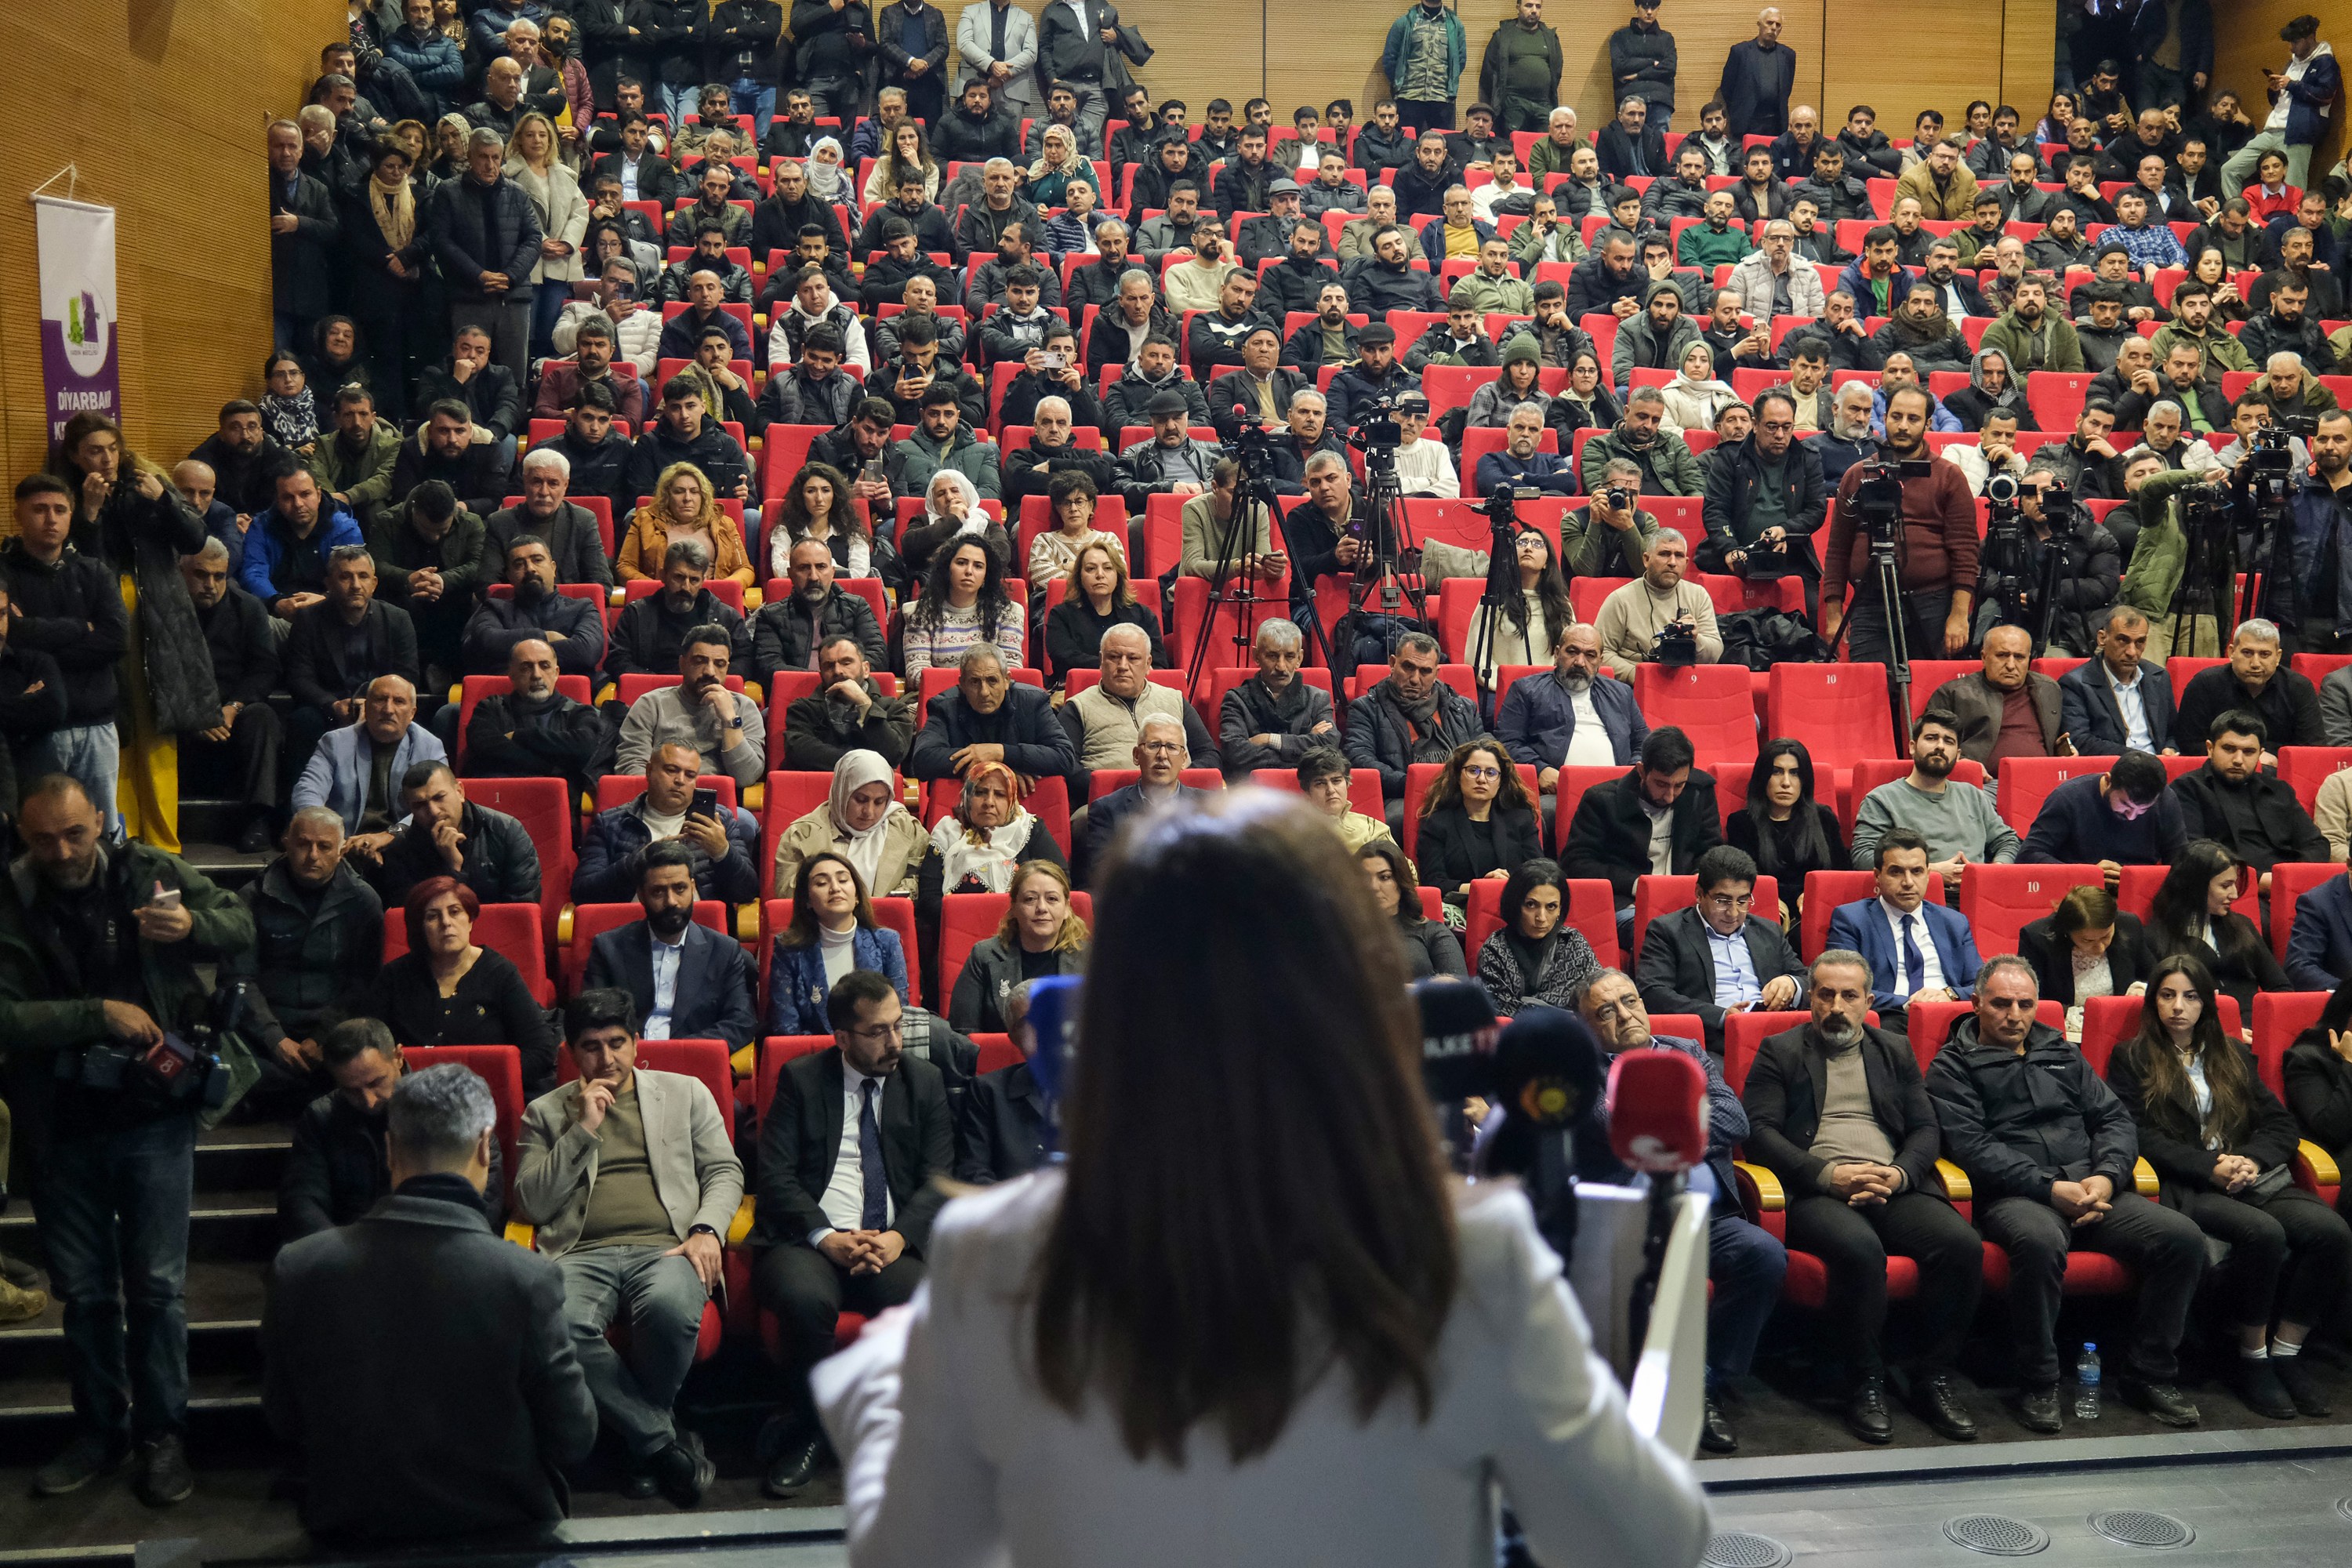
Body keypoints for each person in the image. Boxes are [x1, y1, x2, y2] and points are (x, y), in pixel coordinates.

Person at [2, 776, 253, 1504]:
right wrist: (96, 1014)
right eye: (44, 839)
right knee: (83, 1296)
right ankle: (100, 1432)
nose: (61, 851)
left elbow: (240, 921)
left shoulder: (149, 871)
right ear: (23, 836)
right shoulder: (9, 899)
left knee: (157, 1291)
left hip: (152, 1116)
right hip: (58, 1126)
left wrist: (192, 926)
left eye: (74, 833)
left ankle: (162, 1436)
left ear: (100, 820)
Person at [263, 1063, 594, 1541]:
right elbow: (573, 1437)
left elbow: (284, 1418)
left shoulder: (299, 1267)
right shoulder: (525, 1277)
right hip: (501, 1536)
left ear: (390, 1149)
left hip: (352, 1534)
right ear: (484, 1147)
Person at [1927, 956, 2211, 1431]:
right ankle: (2038, 1381)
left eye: (2025, 1005)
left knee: (2182, 1238)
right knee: (2038, 1242)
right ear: (1975, 1003)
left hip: (2091, 1185)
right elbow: (1972, 1147)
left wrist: (2108, 1176)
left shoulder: (2060, 1051)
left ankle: (2149, 1373)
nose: (2014, 1016)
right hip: (2017, 1194)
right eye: (2000, 1004)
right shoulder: (1952, 1066)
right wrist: (2048, 1187)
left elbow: (2114, 1120)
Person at [1739, 947, 1985, 1442]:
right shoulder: (1780, 1051)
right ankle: (1864, 1383)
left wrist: (1899, 1174)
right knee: (1860, 1250)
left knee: (1961, 1245)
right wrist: (1829, 1175)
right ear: (1811, 998)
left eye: (1849, 996)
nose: (1837, 1006)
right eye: (1826, 995)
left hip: (1890, 1182)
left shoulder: (1893, 1049)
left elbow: (1925, 1129)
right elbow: (1760, 1133)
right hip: (1818, 1189)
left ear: (1868, 1001)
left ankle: (1932, 1377)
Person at [510, 986, 742, 1504]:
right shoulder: (545, 1113)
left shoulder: (686, 1094)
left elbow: (724, 1171)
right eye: (591, 1046)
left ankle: (638, 1443)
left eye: (617, 1042)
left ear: (637, 1042)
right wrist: (582, 1128)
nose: (607, 1058)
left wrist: (707, 1230)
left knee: (668, 1308)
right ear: (572, 1052)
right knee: (556, 1325)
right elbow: (532, 1203)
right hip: (579, 1253)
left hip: (668, 1247)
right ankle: (660, 1442)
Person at [2107, 956, 2350, 1418]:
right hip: (2191, 1185)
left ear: (2207, 1003)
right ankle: (2251, 1358)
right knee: (2264, 1233)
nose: (2178, 1007)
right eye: (2167, 996)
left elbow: (2280, 1124)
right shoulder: (2133, 1057)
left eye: (2190, 996)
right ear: (2153, 1001)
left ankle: (2286, 1352)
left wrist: (2251, 1159)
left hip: (2253, 1177)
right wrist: (2210, 1166)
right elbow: (2137, 1134)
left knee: (2331, 1233)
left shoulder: (2232, 1054)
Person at [276, 1018, 503, 1244]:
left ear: (398, 1056)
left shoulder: (446, 1107)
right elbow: (303, 1201)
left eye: (375, 1082)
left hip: (434, 1247)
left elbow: (484, 1196)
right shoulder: (321, 1117)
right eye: (351, 1091)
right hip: (347, 1247)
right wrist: (340, 1254)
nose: (369, 1101)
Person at [237, 808, 387, 1115]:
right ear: (286, 843)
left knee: (368, 1056)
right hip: (268, 1022)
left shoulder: (364, 901)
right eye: (303, 844)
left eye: (324, 846)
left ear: (341, 850)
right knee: (228, 1055)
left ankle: (281, 1096)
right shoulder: (252, 898)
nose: (313, 855)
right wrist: (275, 1039)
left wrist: (323, 1038)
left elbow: (364, 982)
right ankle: (317, 1094)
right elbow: (238, 979)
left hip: (335, 1027)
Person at [3, 478, 129, 839]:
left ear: (72, 515)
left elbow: (117, 640)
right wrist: (81, 627)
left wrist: (40, 642)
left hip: (98, 724)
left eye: (60, 510)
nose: (51, 519)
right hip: (35, 728)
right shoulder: (4, 573)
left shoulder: (94, 571)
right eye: (39, 509)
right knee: (39, 834)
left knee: (103, 834)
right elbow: (11, 636)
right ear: (18, 514)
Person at [1818, 388, 1979, 661]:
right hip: (1870, 603)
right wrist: (1834, 615)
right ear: (1884, 418)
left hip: (1931, 603)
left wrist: (1959, 615)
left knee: (1927, 686)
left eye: (1913, 419)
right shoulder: (1858, 475)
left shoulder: (1949, 476)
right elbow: (1837, 551)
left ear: (1928, 424)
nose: (1903, 426)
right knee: (1871, 683)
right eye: (1896, 416)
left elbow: (1965, 551)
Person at [362, 874, 558, 1091]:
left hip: (485, 1096)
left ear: (470, 920)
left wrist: (483, 1082)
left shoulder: (501, 972)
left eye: (455, 912)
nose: (446, 922)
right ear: (420, 928)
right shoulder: (394, 976)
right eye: (433, 916)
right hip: (411, 1095)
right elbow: (368, 1044)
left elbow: (541, 1050)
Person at [580, 837, 759, 1049]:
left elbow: (741, 1022)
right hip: (628, 1062)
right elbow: (593, 1020)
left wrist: (676, 1053)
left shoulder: (724, 951)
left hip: (693, 1062)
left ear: (693, 888)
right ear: (642, 895)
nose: (671, 901)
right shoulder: (609, 948)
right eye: (658, 891)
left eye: (680, 888)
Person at [1635, 844, 1804, 1051]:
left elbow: (1808, 980)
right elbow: (1653, 993)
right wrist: (1721, 1016)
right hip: (1713, 1042)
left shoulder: (1769, 931)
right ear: (1700, 893)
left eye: (1742, 901)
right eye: (1723, 901)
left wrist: (1792, 983)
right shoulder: (1667, 931)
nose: (1733, 913)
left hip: (1775, 1037)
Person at [1560, 726, 1721, 944]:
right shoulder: (1602, 800)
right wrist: (1637, 884)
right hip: (1626, 903)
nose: (1670, 796)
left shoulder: (1699, 792)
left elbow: (1711, 850)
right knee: (1661, 932)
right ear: (1642, 771)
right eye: (1661, 784)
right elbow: (1576, 863)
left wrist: (1698, 876)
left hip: (1685, 902)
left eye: (1679, 785)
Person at [1826, 830, 1984, 1023]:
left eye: (1916, 871)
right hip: (1891, 1018)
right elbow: (1842, 986)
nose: (1908, 882)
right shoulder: (1851, 919)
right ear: (1877, 876)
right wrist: (1909, 1004)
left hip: (1952, 1016)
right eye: (1896, 872)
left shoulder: (1954, 922)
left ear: (1928, 875)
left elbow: (1981, 985)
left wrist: (1949, 995)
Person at [1057, 625, 1217, 804]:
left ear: (1148, 664)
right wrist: (1127, 792)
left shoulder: (1175, 700)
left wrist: (1174, 785)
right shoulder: (1078, 706)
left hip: (1175, 803)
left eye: (1133, 658)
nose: (1123, 666)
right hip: (1108, 805)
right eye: (1114, 657)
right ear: (1101, 661)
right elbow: (1067, 766)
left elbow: (1209, 755)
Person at [1340, 634, 1483, 831]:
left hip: (1460, 792)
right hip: (1401, 795)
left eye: (1425, 671)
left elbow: (1484, 747)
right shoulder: (1366, 708)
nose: (1415, 679)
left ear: (1436, 673)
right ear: (1392, 663)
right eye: (1408, 667)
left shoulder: (1463, 708)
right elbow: (1360, 759)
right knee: (1407, 819)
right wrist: (1414, 784)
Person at [456, 637, 601, 820]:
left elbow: (584, 746)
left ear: (556, 673)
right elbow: (483, 745)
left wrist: (521, 736)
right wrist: (553, 766)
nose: (537, 675)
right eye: (526, 667)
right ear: (511, 674)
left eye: (545, 666)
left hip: (553, 810)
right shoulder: (491, 708)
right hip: (496, 808)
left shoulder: (580, 712)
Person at [2144, 839, 2292, 1016]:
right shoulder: (2155, 938)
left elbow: (2280, 987)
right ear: (2196, 887)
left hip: (2253, 1025)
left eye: (2234, 884)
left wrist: (2263, 1025)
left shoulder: (2242, 926)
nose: (2234, 895)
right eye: (2225, 886)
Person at [614, 623, 766, 789]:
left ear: (727, 668)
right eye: (700, 661)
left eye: (719, 664)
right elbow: (632, 766)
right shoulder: (650, 705)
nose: (710, 671)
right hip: (662, 796)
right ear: (682, 664)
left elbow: (747, 776)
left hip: (719, 799)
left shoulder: (744, 708)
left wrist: (729, 720)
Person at [1413, 739, 1542, 909]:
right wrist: (1482, 888)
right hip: (1459, 909)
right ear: (1458, 776)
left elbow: (1540, 874)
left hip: (1516, 908)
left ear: (1501, 781)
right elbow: (1433, 882)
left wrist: (1508, 887)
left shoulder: (1520, 819)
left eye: (1491, 773)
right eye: (1473, 770)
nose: (1481, 779)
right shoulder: (1437, 823)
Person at [2220, 14, 2339, 194]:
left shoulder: (2326, 62)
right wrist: (2275, 90)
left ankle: (2292, 215)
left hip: (2299, 133)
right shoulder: (2291, 63)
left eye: (2295, 42)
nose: (2291, 47)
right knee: (2230, 169)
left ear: (2310, 38)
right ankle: (2238, 211)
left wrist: (2291, 85)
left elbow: (2326, 95)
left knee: (2293, 188)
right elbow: (2278, 100)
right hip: (2271, 130)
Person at [2019, 750, 2189, 877]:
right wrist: (2087, 874)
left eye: (2144, 810)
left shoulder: (2166, 800)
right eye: (2125, 805)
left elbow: (2179, 863)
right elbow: (2029, 855)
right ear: (2108, 781)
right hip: (2080, 894)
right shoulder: (2068, 798)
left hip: (2140, 891)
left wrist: (2135, 879)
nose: (2132, 816)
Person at [1472, 858, 1602, 1014]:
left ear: (1560, 909)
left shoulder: (1573, 943)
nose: (1541, 917)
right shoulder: (1495, 950)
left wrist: (1528, 1004)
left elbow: (1599, 999)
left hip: (1575, 1029)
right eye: (1531, 905)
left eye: (1551, 906)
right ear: (1515, 905)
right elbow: (1500, 1010)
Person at [1726, 739, 1846, 906]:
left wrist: (1812, 897)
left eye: (1795, 773)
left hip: (1818, 906)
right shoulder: (1741, 823)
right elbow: (1745, 880)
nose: (1786, 783)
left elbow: (1841, 874)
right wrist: (1793, 897)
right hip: (1764, 908)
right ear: (1763, 777)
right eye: (1776, 772)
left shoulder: (1824, 818)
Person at [1592, 528, 1722, 680]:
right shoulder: (1620, 599)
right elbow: (1601, 652)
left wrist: (1695, 639)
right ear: (1646, 560)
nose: (1672, 562)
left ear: (1686, 563)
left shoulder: (1698, 595)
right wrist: (1641, 676)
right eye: (1664, 554)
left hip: (1687, 682)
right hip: (1634, 685)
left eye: (1679, 556)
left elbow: (1715, 654)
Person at [2018, 884, 2152, 1029]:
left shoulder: (2129, 925)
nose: (2100, 947)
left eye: (2106, 936)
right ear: (2067, 932)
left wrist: (2141, 989)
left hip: (2119, 1026)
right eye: (2088, 941)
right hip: (2060, 1029)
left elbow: (2153, 975)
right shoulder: (2037, 938)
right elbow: (2031, 999)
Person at [2176, 621, 2324, 750]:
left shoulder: (2299, 687)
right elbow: (2189, 744)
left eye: (2264, 654)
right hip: (2217, 770)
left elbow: (2311, 748)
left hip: (2278, 769)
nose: (2255, 663)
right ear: (2232, 652)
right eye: (2247, 653)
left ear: (2278, 657)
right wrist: (2250, 757)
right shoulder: (2205, 684)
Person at [2060, 608, 2177, 756]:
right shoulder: (2075, 684)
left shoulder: (2159, 677)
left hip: (2160, 765)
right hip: (2111, 767)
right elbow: (2080, 741)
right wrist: (2141, 759)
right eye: (2123, 640)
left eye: (2140, 642)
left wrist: (2170, 748)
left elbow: (2173, 733)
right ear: (2102, 638)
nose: (2132, 652)